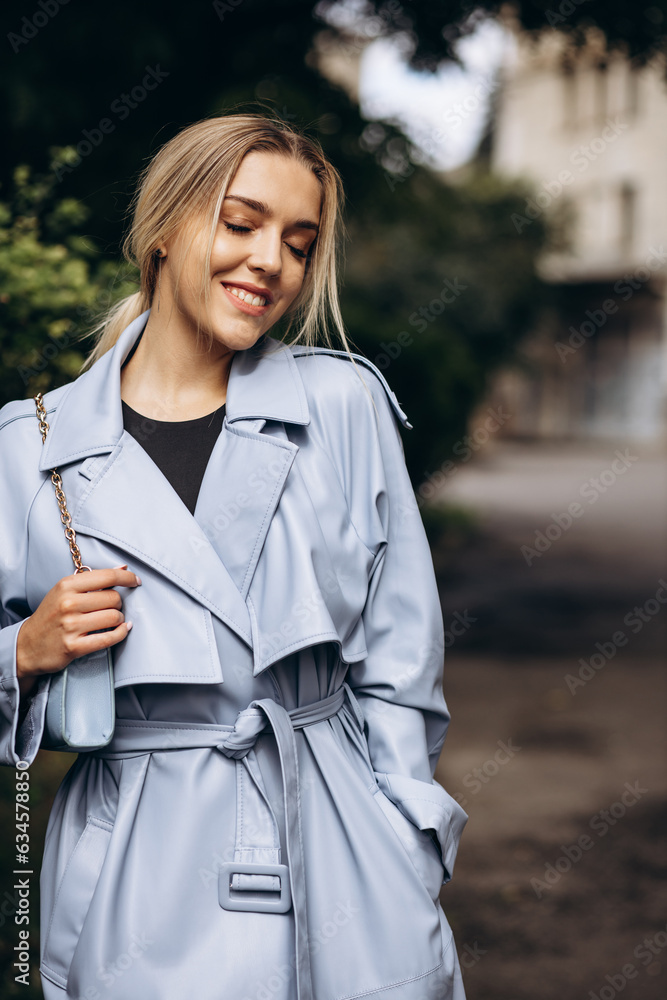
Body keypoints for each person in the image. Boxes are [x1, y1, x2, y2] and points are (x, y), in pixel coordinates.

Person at [0, 114, 469, 1000]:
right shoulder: (31, 449)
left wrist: (406, 835)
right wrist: (23, 653)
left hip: (337, 846)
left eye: (298, 243)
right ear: (165, 229)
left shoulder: (340, 405)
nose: (271, 263)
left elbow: (401, 659)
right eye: (241, 223)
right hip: (135, 867)